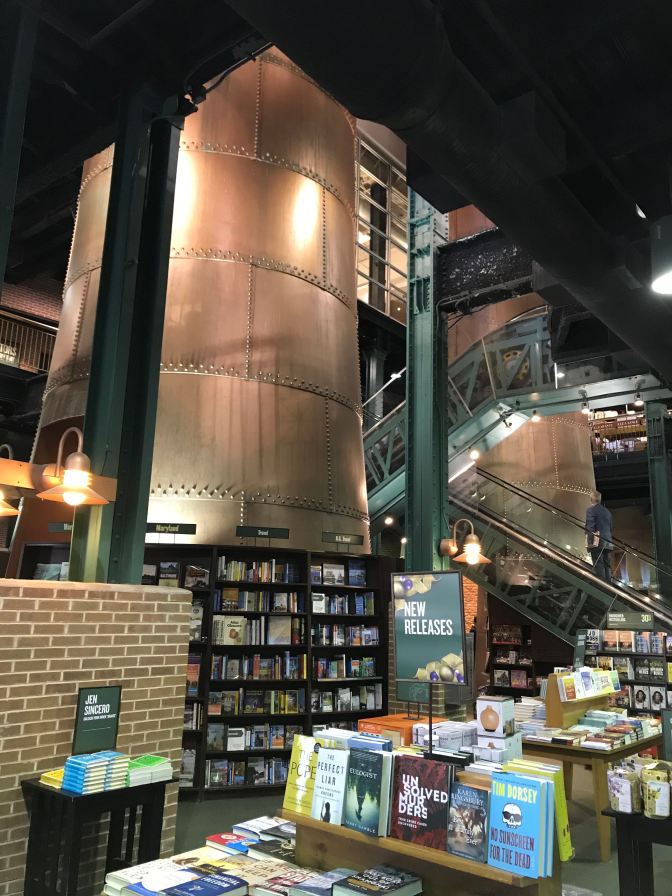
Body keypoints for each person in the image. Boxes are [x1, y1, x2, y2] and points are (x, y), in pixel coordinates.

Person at [585, 489, 613, 583]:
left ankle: (601, 587)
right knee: (607, 565)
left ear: (591, 499)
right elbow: (610, 528)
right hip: (608, 542)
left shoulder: (591, 510)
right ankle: (609, 587)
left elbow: (590, 527)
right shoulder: (607, 512)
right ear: (600, 500)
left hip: (597, 542)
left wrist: (589, 543)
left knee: (599, 565)